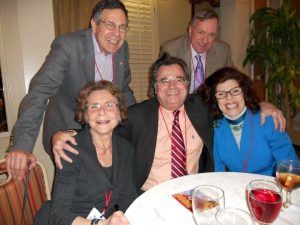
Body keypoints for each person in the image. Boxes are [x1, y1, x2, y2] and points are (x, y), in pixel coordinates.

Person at [52, 54, 286, 193]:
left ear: (187, 84)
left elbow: (231, 99)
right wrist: (66, 134)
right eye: (164, 81)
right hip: (149, 193)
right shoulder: (137, 116)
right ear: (154, 88)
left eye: (178, 79)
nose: (172, 86)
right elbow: (101, 126)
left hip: (197, 192)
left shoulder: (202, 107)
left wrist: (263, 104)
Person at [5, 0, 136, 180]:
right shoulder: (69, 46)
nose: (117, 34)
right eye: (110, 25)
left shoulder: (123, 49)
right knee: (78, 195)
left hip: (104, 134)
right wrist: (21, 146)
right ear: (94, 24)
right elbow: (39, 92)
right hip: (67, 134)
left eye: (123, 27)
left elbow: (124, 91)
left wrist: (138, 127)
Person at [34, 81, 137, 225]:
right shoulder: (70, 149)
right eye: (94, 106)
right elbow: (59, 214)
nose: (101, 111)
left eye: (109, 105)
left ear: (120, 113)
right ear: (86, 116)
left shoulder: (126, 149)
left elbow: (128, 197)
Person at [199, 67, 298, 176]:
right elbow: (217, 169)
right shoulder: (216, 127)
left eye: (235, 91)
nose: (229, 98)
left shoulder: (268, 120)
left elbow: (290, 167)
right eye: (221, 94)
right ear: (214, 99)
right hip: (236, 188)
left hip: (270, 187)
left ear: (244, 93)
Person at [159, 9, 232, 94]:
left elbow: (232, 82)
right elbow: (158, 86)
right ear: (190, 31)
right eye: (201, 32)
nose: (205, 41)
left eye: (211, 35)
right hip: (180, 104)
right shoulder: (171, 50)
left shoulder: (223, 51)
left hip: (210, 103)